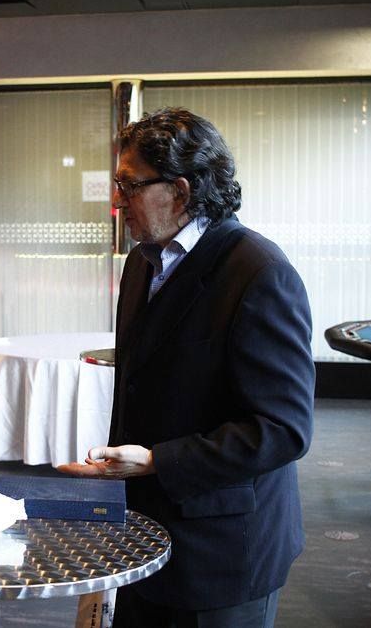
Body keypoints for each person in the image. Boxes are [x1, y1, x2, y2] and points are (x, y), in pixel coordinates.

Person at [59, 108, 314, 628]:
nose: (116, 201)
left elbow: (283, 430)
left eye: (129, 185)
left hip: (221, 553)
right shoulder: (141, 262)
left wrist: (157, 461)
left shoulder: (259, 272)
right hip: (141, 536)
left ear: (180, 191)